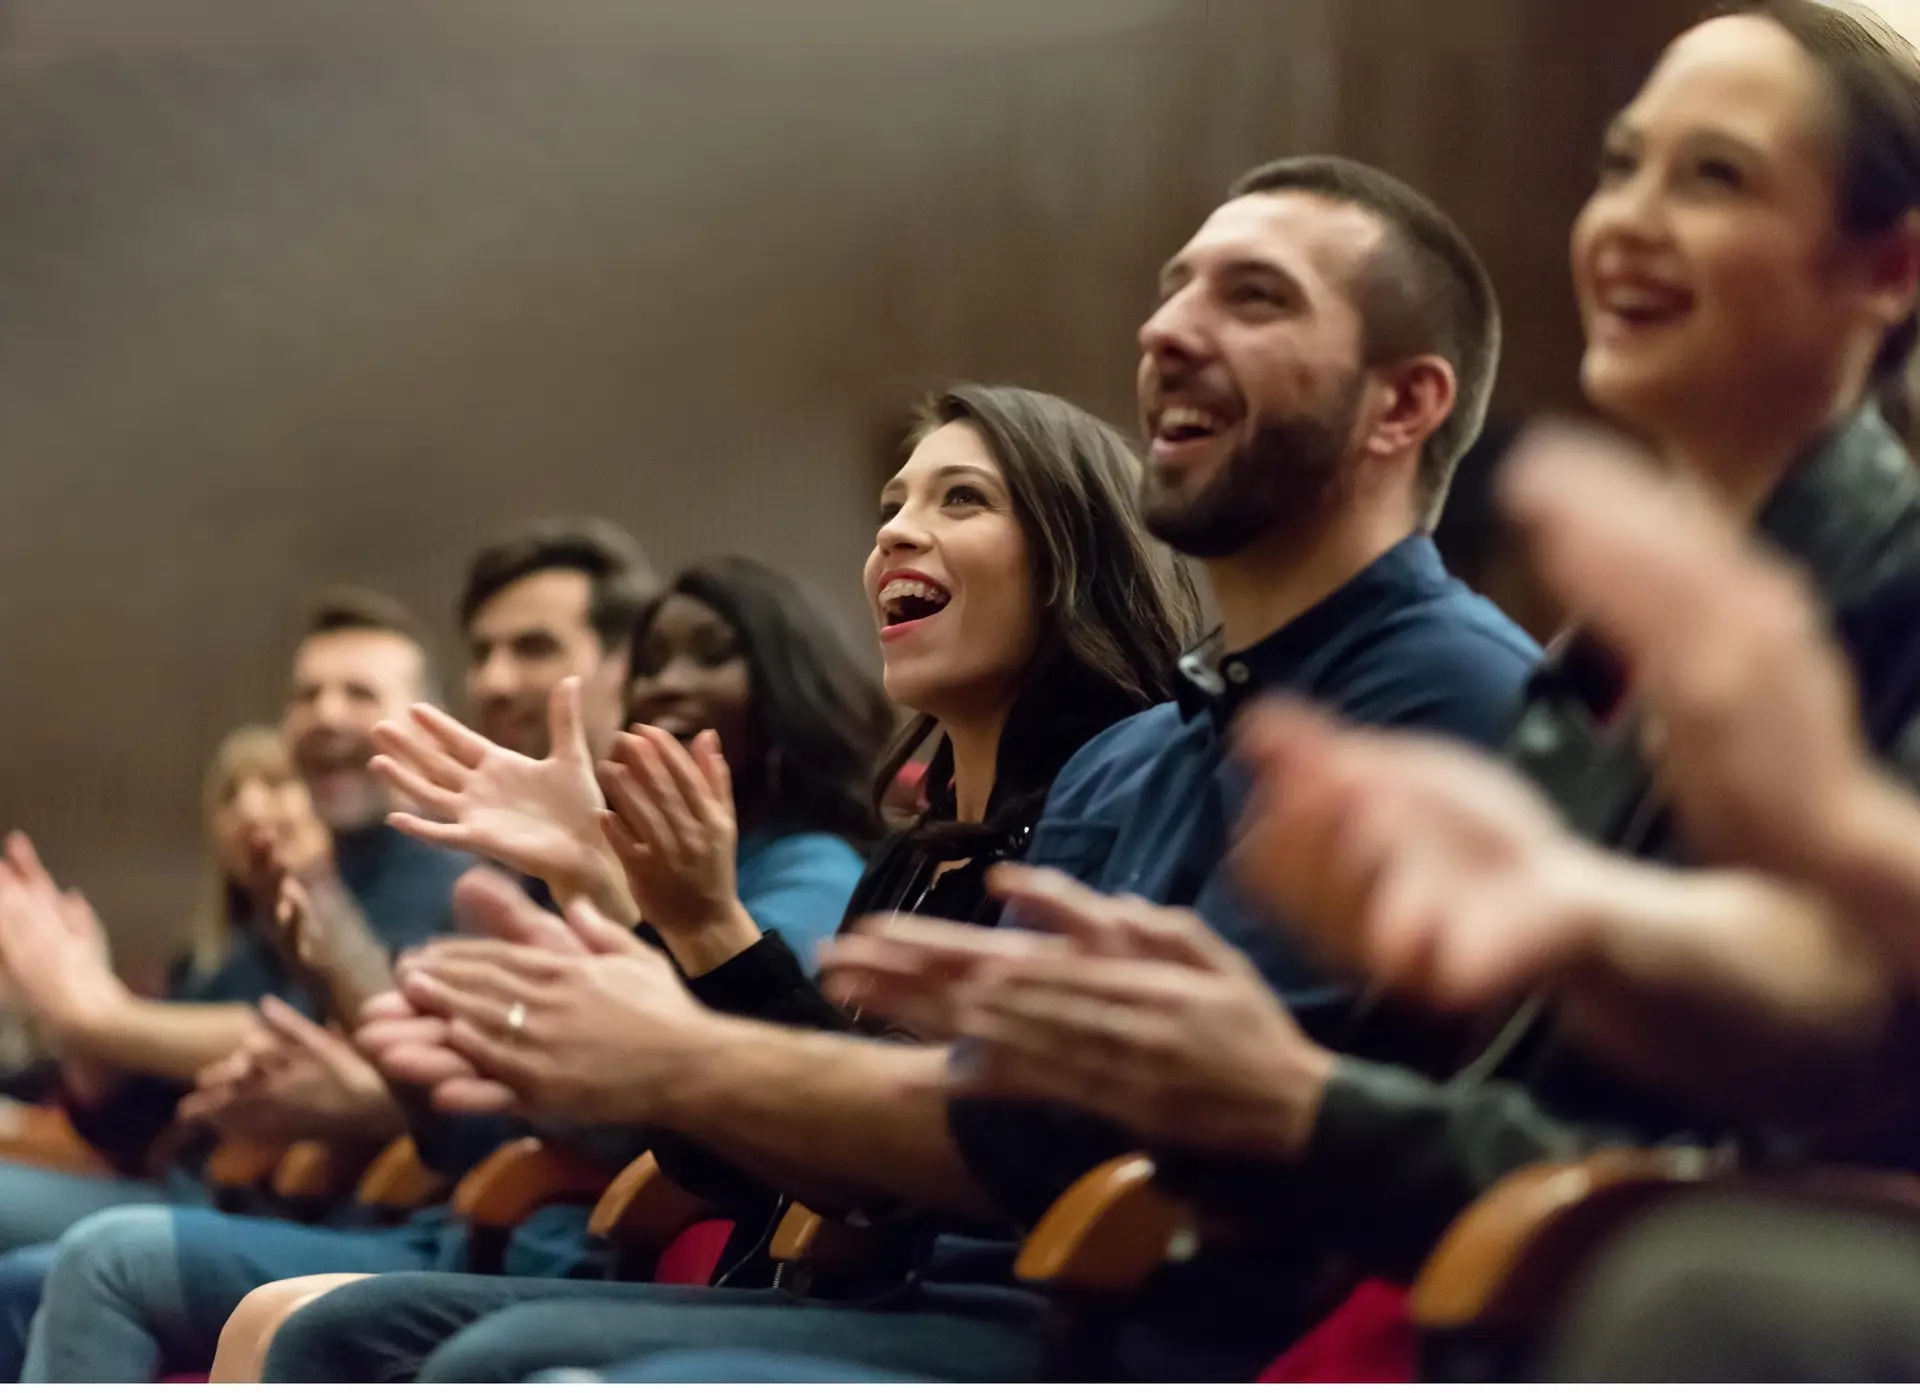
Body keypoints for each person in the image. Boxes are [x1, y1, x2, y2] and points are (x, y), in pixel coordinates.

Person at [262, 152, 1538, 1384]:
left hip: (1146, 1345)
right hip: (971, 1304)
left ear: (1404, 404)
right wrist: (645, 950)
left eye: (1252, 296)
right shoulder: (1138, 757)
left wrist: (675, 1009)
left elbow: (1120, 1142)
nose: (1167, 330)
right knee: (345, 1339)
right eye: (1174, 287)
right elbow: (944, 1126)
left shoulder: (1444, 685)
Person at [821, 0, 1920, 1381]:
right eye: (1623, 164)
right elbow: (1566, 1105)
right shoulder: (1606, 655)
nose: (1627, 219)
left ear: (1890, 263)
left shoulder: (1849, 592)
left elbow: (1781, 1094)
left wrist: (1302, 1102)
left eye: (1714, 175)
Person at [17, 546, 912, 1381]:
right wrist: (400, 1070)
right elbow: (484, 1115)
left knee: (127, 1268)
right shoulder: (509, 870)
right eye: (482, 651)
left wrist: (368, 1067)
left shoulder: (801, 868)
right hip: (454, 1225)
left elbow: (728, 1089)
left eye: (533, 648)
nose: (497, 678)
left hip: (569, 1240)